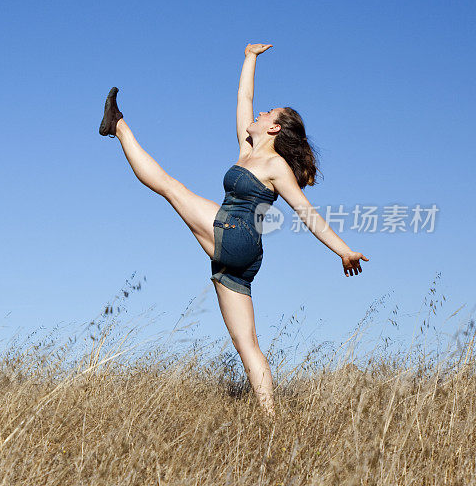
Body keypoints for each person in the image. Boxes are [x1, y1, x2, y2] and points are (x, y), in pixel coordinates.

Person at [97, 43, 369, 418]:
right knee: (247, 344)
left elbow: (307, 213)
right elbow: (245, 95)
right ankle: (271, 420)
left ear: (274, 127)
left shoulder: (275, 166)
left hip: (236, 232)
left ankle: (119, 125)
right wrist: (250, 58)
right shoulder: (248, 147)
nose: (259, 111)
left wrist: (343, 250)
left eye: (268, 112)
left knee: (170, 186)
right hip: (240, 256)